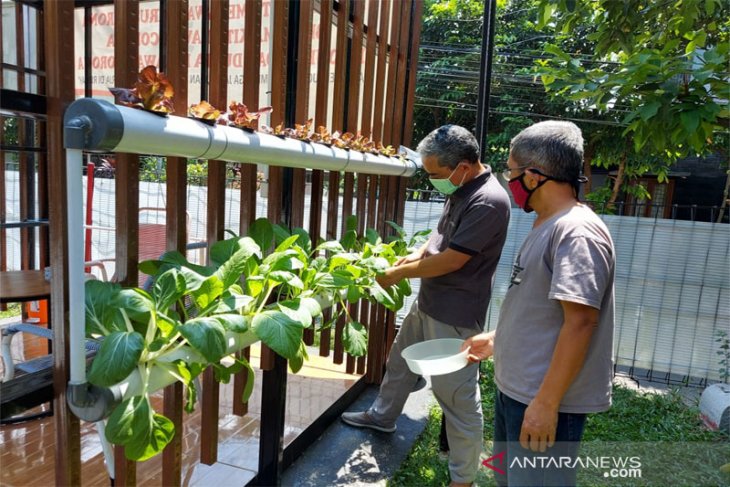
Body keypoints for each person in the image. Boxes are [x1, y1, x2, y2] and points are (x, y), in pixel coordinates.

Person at [341, 124, 511, 487]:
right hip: (431, 299)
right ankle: (383, 416)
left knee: (456, 397)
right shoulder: (463, 188)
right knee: (400, 361)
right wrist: (409, 258)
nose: (432, 180)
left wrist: (398, 276)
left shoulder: (489, 201)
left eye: (435, 174)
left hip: (456, 313)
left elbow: (453, 259)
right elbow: (437, 241)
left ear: (462, 166)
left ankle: (462, 478)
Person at [462, 120, 615, 487]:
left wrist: (546, 405)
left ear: (533, 176)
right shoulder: (548, 223)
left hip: (543, 402)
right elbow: (546, 312)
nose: (508, 181)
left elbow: (580, 323)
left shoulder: (576, 232)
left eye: (511, 172)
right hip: (516, 393)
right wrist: (500, 339)